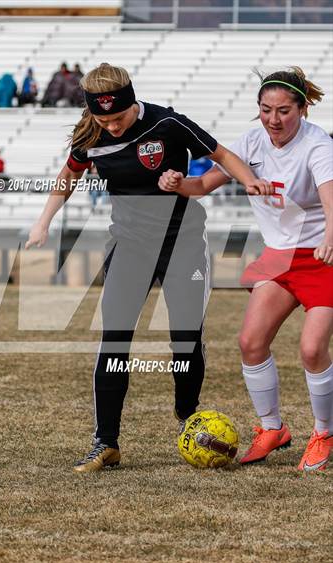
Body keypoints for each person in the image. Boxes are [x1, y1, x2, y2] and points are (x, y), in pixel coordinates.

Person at [25, 63, 270, 473]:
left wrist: (250, 181)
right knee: (115, 341)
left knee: (185, 339)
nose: (112, 126)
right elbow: (69, 175)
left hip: (184, 243)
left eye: (118, 118)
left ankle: (187, 415)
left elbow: (222, 155)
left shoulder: (169, 123)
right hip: (129, 245)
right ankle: (106, 443)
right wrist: (43, 220)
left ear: (131, 103)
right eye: (103, 119)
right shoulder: (91, 133)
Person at [159, 66, 333, 472]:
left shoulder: (318, 144)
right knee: (250, 342)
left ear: (303, 109)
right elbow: (202, 186)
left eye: (284, 111)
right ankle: (272, 429)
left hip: (322, 258)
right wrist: (175, 182)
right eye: (265, 109)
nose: (274, 119)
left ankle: (324, 433)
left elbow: (330, 195)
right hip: (279, 257)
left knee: (311, 349)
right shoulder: (252, 140)